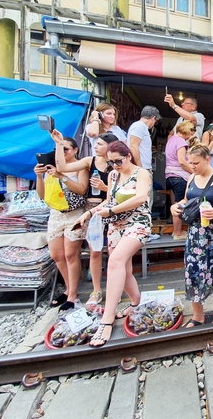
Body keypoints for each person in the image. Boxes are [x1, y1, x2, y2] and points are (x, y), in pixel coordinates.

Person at [76, 141, 153, 347]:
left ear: (128, 156)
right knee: (123, 270)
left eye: (118, 161)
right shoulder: (112, 175)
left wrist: (110, 211)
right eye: (111, 162)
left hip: (138, 223)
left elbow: (140, 198)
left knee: (115, 262)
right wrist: (89, 213)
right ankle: (136, 302)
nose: (115, 165)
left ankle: (107, 319)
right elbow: (109, 200)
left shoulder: (142, 173)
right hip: (115, 225)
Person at [170, 145, 213, 327]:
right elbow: (187, 200)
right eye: (190, 162)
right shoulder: (192, 177)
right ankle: (197, 315)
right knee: (193, 272)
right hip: (196, 236)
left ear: (207, 159)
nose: (192, 166)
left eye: (196, 163)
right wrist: (176, 205)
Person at [54, 131, 119, 310]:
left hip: (113, 208)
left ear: (109, 146)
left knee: (114, 251)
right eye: (95, 143)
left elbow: (121, 190)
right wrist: (60, 144)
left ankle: (116, 287)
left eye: (99, 144)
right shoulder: (89, 161)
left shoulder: (117, 163)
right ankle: (96, 290)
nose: (95, 146)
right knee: (95, 250)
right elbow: (61, 168)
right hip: (92, 208)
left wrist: (105, 187)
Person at [35, 136, 89, 310]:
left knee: (70, 254)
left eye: (66, 149)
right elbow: (42, 195)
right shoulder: (51, 168)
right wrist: (39, 177)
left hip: (74, 213)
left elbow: (82, 189)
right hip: (56, 214)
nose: (62, 152)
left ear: (75, 150)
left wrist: (62, 176)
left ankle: (72, 293)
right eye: (59, 148)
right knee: (57, 255)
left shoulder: (80, 166)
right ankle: (68, 288)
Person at [165, 121, 197, 240]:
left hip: (169, 175)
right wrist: (194, 172)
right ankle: (178, 233)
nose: (191, 136)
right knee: (180, 204)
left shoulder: (171, 139)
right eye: (191, 133)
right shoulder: (181, 142)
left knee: (176, 203)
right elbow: (182, 161)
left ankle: (176, 231)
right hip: (179, 176)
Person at [127, 105, 161, 172]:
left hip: (143, 167)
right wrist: (139, 167)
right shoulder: (139, 126)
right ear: (153, 118)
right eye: (155, 121)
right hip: (141, 167)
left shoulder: (141, 127)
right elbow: (133, 146)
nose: (154, 123)